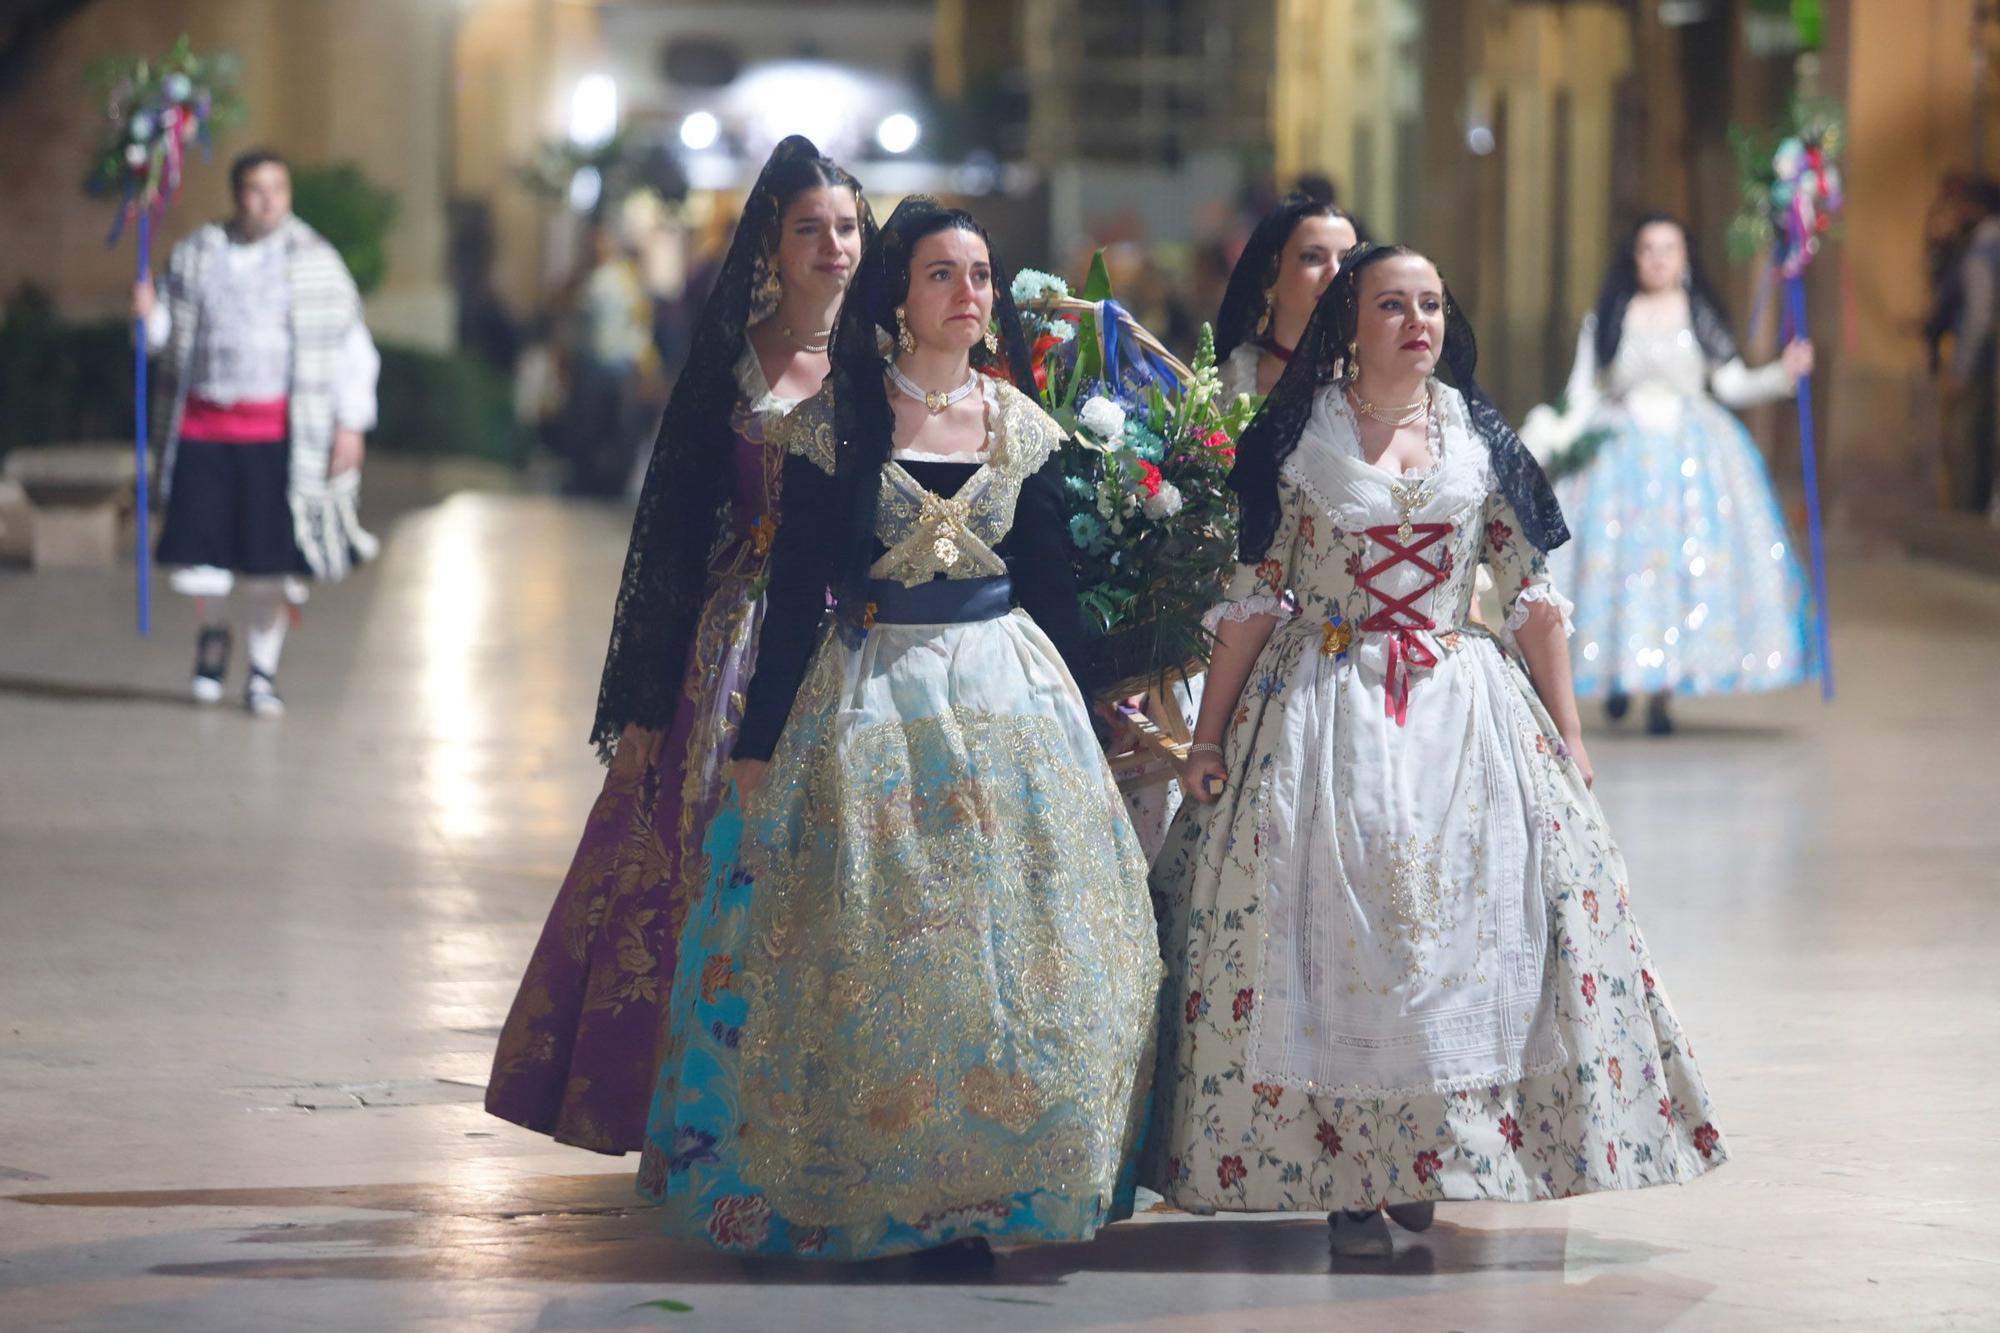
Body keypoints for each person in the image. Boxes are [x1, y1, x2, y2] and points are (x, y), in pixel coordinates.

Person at [1153, 244, 1725, 1257]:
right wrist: (1205, 738)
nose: (1415, 321)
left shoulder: (1475, 433)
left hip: (1462, 708)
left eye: (1429, 303)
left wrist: (1569, 736)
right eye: (1390, 304)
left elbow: (1529, 590)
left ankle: (1427, 1149)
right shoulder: (1302, 439)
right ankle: (1344, 1180)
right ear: (1349, 321)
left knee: (1455, 937)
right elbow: (1252, 597)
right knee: (1341, 935)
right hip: (1326, 704)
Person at [637, 197, 1160, 1262]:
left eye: (977, 275)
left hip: (1011, 702)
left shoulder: (1023, 428)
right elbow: (792, 596)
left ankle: (982, 1187)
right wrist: (754, 740)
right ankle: (877, 1189)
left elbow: (1052, 591)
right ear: (897, 294)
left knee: (1006, 946)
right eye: (940, 275)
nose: (966, 296)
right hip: (869, 694)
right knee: (879, 936)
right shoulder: (840, 420)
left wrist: (1109, 708)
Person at [485, 138, 871, 1155]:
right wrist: (646, 702)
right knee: (706, 862)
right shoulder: (732, 364)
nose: (831, 245)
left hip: (852, 646)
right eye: (808, 229)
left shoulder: (884, 362)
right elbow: (665, 537)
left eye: (845, 226)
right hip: (735, 644)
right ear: (772, 246)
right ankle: (697, 1103)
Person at [1525, 213, 1816, 733]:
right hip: (1618, 459)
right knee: (1618, 570)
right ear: (1633, 257)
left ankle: (1659, 691)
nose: (1658, 259)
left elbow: (1730, 386)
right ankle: (1619, 673)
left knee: (1679, 573)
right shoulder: (1609, 316)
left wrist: (1782, 373)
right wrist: (1550, 439)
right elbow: (1583, 390)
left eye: (1669, 248)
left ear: (1684, 257)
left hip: (1691, 459)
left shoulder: (1699, 313)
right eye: (1648, 249)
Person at [135, 148, 380, 717]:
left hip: (278, 434)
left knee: (271, 562)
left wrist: (351, 424)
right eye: (256, 188)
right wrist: (147, 315)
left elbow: (352, 349)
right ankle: (214, 636)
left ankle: (263, 672)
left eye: (278, 188)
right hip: (203, 425)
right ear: (237, 194)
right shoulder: (198, 254)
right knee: (205, 556)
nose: (268, 199)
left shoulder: (318, 260)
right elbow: (163, 340)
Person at [1215, 193, 1360, 401]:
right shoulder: (1229, 386)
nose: (1334, 273)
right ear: (1270, 276)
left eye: (1347, 259)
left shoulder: (1377, 381)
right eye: (1312, 257)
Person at [1939, 178, 2000, 522]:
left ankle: (1967, 516)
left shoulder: (1983, 245)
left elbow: (1978, 312)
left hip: (1982, 358)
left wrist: (1960, 370)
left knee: (1969, 438)